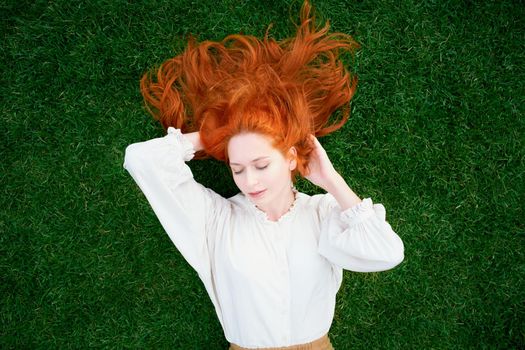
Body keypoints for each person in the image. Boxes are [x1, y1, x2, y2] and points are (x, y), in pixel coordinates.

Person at [123, 1, 404, 349]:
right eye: (237, 169)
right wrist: (213, 136)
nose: (249, 181)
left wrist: (331, 180)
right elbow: (141, 159)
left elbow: (386, 252)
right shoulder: (215, 219)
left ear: (289, 159)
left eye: (261, 165)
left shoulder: (321, 214)